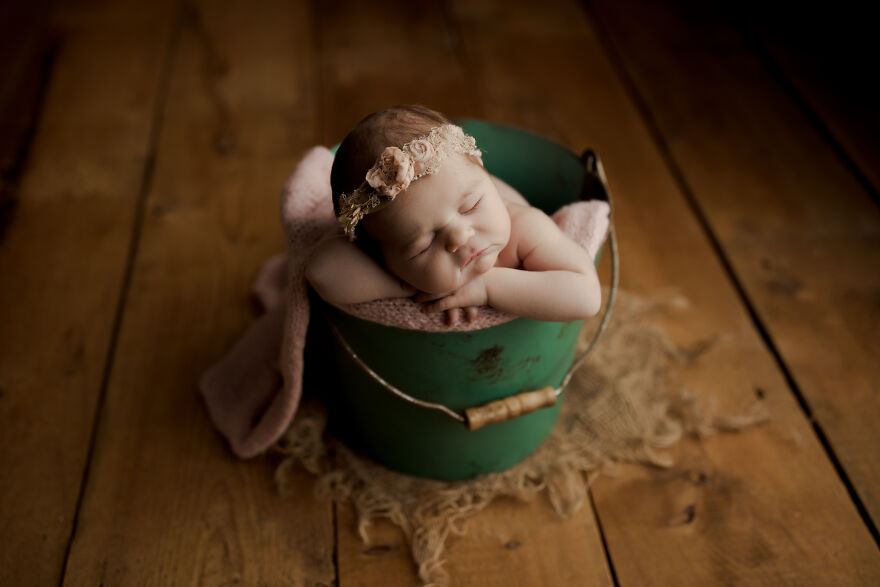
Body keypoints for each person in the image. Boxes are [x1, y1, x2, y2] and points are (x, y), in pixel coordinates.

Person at [305, 105, 601, 326]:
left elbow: (586, 295)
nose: (459, 236)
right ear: (386, 258)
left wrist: (487, 288)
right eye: (422, 245)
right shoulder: (397, 258)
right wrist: (407, 284)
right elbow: (321, 271)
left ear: (485, 174)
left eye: (471, 206)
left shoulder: (524, 227)